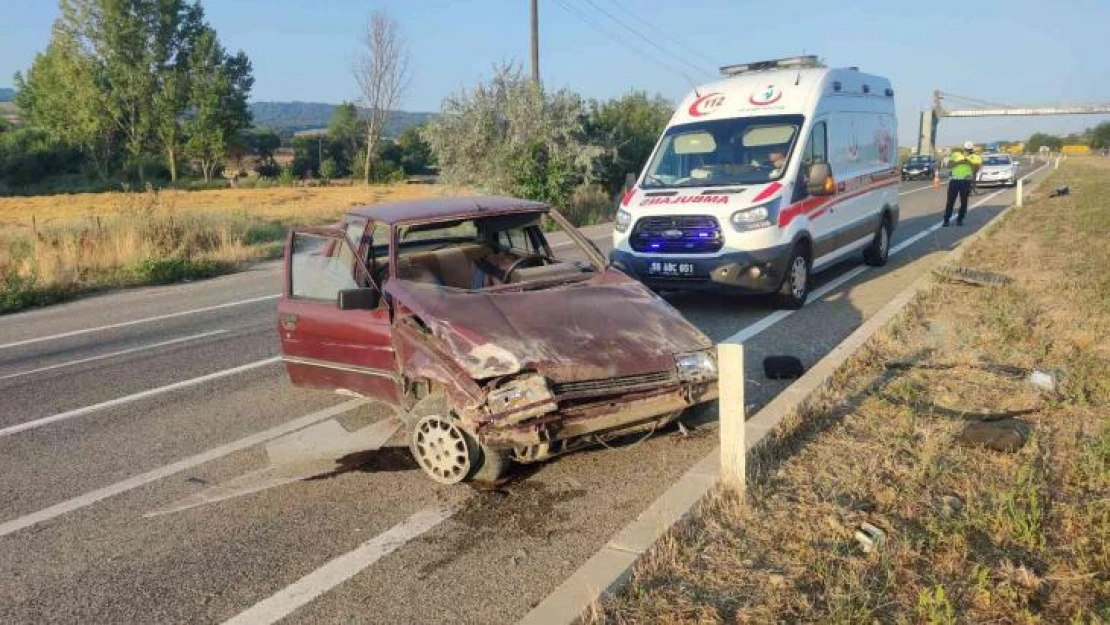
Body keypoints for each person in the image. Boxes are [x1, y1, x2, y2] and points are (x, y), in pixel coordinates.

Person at [944, 141, 982, 226]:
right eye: (966, 149)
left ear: (972, 149)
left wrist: (969, 162)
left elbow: (977, 169)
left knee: (964, 202)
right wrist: (959, 162)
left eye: (969, 150)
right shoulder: (956, 155)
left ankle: (960, 219)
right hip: (954, 180)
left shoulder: (975, 157)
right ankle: (946, 219)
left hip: (966, 181)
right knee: (950, 201)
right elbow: (949, 166)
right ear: (963, 148)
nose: (967, 151)